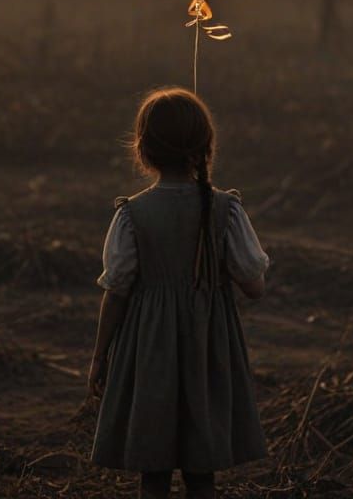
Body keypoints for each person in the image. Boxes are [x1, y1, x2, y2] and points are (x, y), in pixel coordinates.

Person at [89, 87, 270, 499]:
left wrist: (100, 357)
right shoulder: (226, 210)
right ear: (206, 146)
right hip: (208, 348)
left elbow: (116, 291)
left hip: (148, 348)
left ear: (143, 149)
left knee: (152, 472)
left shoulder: (131, 215)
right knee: (201, 471)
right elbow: (254, 287)